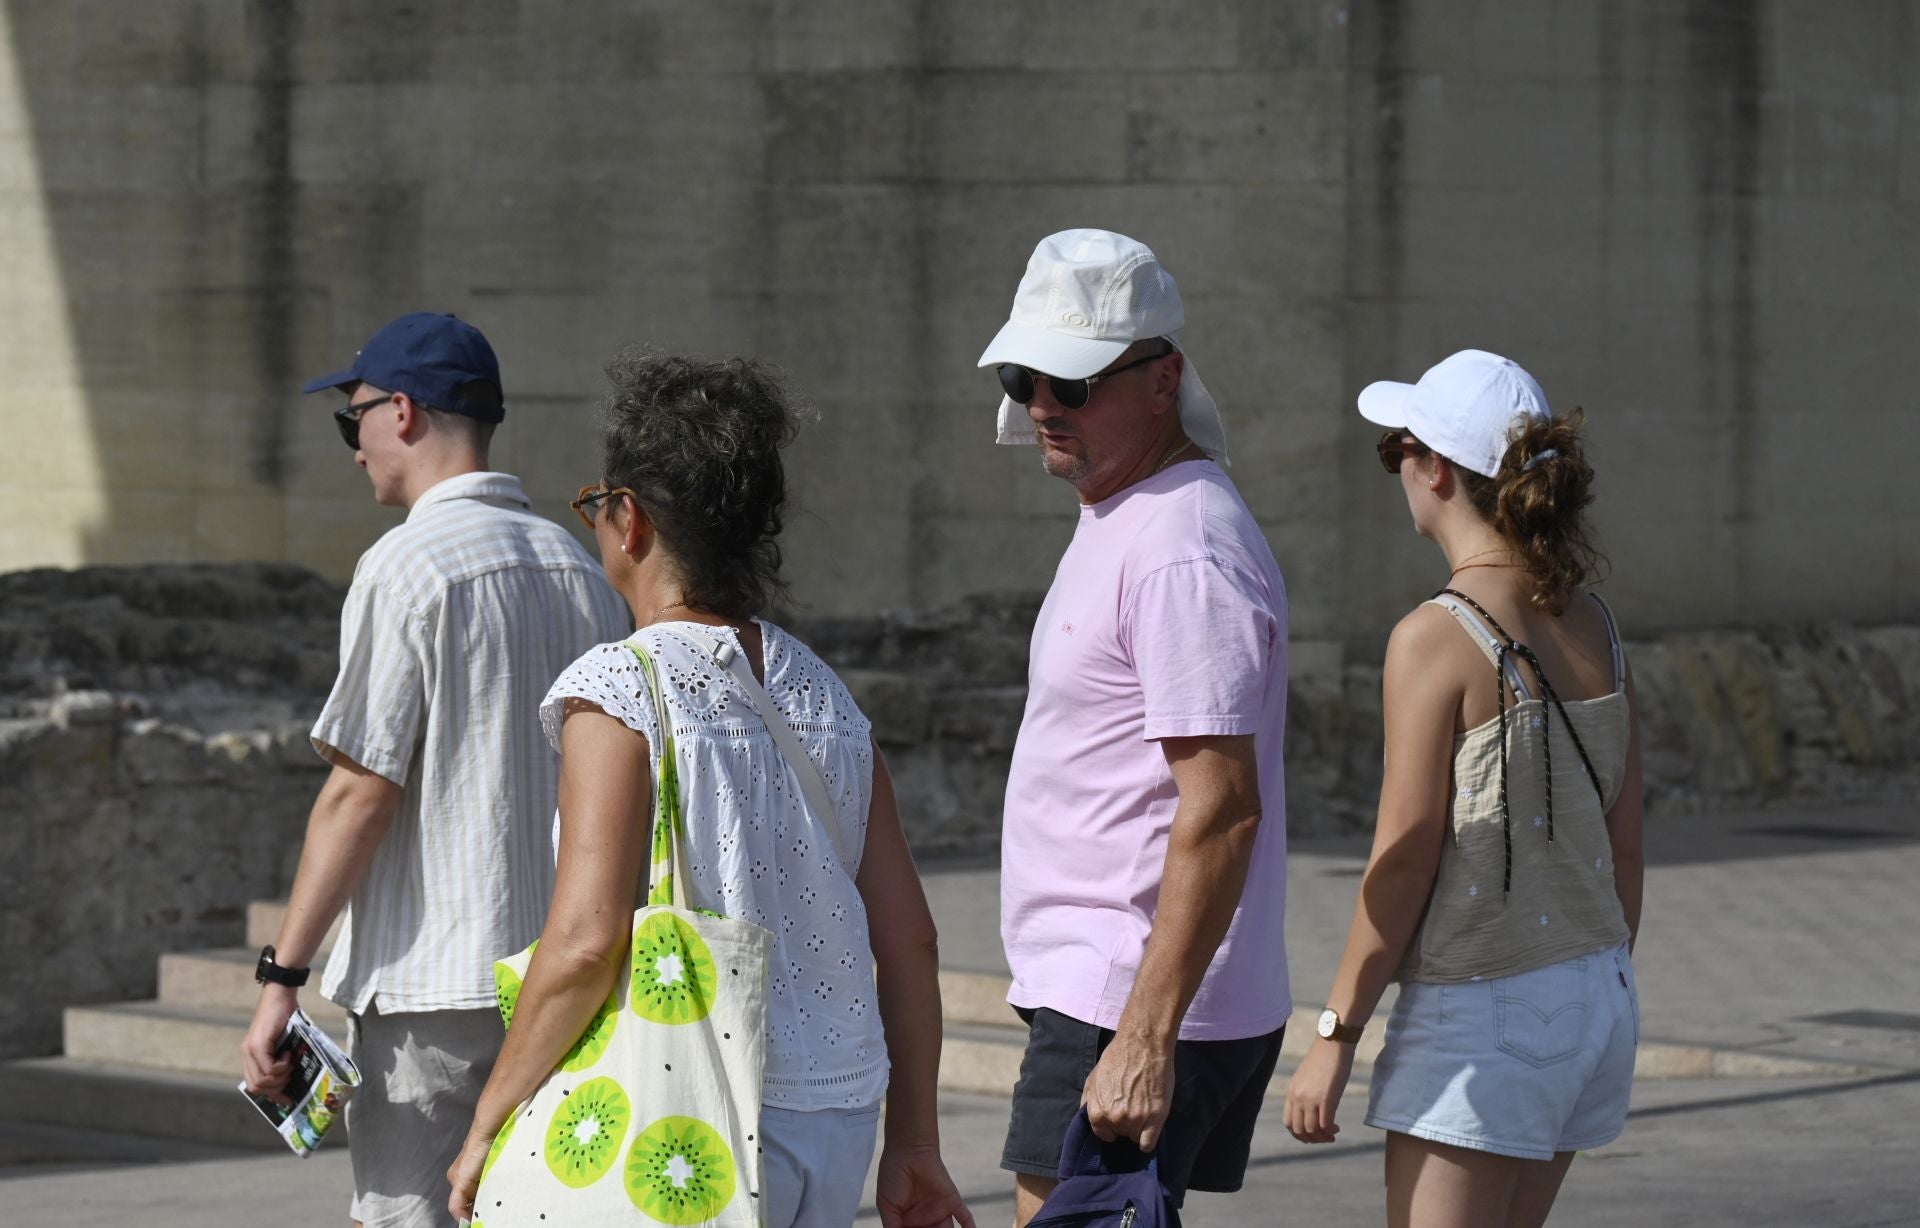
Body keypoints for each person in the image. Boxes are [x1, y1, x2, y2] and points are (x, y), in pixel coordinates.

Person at [444, 353, 974, 1228]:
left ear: (632, 520)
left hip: (690, 1102)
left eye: (597, 506)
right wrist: (914, 1143)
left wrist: (485, 1121)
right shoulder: (825, 694)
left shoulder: (618, 689)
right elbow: (909, 938)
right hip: (836, 1112)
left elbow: (582, 943)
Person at [239, 312, 631, 1228]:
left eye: (354, 420)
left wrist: (280, 975)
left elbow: (359, 791)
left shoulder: (407, 568)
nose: (354, 449)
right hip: (567, 976)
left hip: (435, 990)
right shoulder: (580, 570)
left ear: (402, 412)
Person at [1284, 350, 1644, 1226]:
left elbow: (1402, 860)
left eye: (1396, 449)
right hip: (1597, 990)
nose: (1396, 469)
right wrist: (1586, 986)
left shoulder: (1434, 637)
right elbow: (1624, 839)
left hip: (1486, 1006)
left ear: (1437, 467)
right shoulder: (1593, 618)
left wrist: (1334, 1034)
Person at [977, 229, 1291, 1222]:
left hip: (1126, 994)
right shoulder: (1137, 510)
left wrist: (1146, 1034)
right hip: (1111, 986)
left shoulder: (1179, 545)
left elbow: (1225, 805)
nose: (1039, 405)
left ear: (1164, 381)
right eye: (1026, 376)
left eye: (1071, 383)